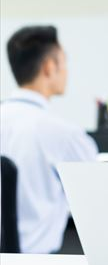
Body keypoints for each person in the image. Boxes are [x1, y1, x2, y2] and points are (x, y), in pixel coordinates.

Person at [0, 26, 98, 253]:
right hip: (40, 263)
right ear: (49, 67)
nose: (66, 71)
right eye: (64, 62)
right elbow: (98, 198)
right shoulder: (63, 134)